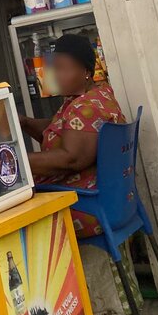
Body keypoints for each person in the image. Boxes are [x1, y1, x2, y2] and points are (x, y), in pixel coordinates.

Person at [19, 32, 125, 238]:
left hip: (86, 206)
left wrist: (15, 162)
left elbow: (71, 158)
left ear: (85, 71)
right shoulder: (96, 96)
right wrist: (26, 123)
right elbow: (60, 131)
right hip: (108, 198)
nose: (56, 75)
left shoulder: (86, 108)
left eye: (62, 69)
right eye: (54, 69)